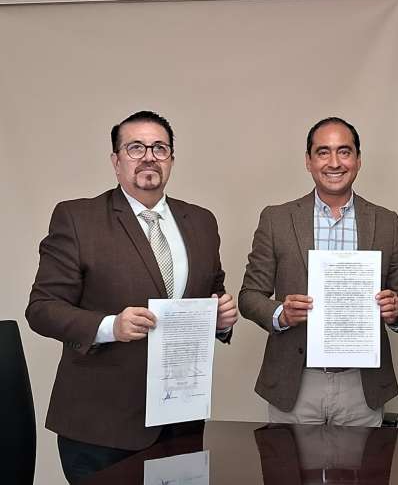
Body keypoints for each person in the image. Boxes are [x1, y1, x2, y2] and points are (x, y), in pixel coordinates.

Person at [25, 110, 238, 483]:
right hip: (101, 425)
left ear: (171, 159)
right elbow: (42, 309)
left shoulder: (202, 221)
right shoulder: (78, 218)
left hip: (180, 420)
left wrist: (220, 319)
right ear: (116, 160)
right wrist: (111, 327)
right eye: (136, 147)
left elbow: (211, 292)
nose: (149, 157)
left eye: (159, 148)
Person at [239, 117, 398, 427]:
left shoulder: (386, 222)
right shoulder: (277, 219)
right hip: (295, 381)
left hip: (362, 384)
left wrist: (396, 310)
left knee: (365, 461)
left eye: (344, 152)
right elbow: (249, 296)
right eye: (323, 152)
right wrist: (281, 314)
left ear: (358, 160)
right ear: (308, 161)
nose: (334, 162)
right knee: (286, 460)